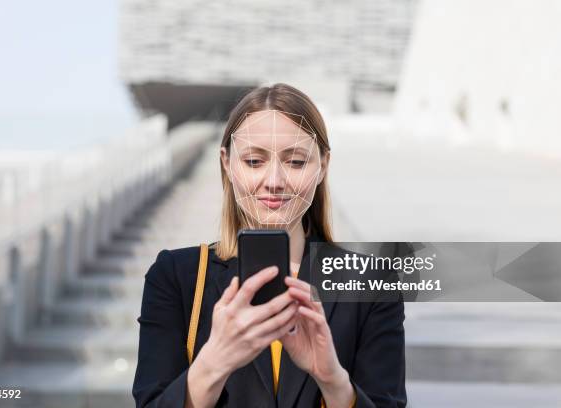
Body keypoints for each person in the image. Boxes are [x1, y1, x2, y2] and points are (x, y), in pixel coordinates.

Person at [132, 83, 407, 408]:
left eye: (295, 162)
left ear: (323, 166)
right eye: (253, 161)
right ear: (227, 163)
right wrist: (214, 362)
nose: (274, 181)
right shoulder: (176, 277)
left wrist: (334, 381)